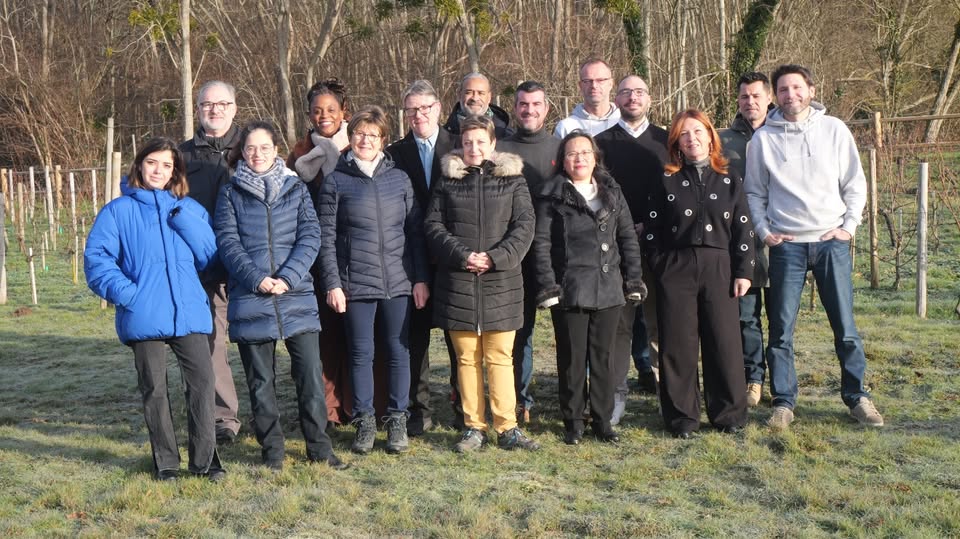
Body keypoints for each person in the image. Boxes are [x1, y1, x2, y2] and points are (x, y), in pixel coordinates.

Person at [744, 64, 884, 429]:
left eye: (796, 87)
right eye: (783, 89)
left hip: (829, 243)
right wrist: (764, 231)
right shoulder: (762, 140)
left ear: (811, 90)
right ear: (775, 96)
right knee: (781, 330)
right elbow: (754, 192)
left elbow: (855, 182)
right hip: (786, 246)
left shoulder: (834, 130)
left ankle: (857, 397)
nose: (790, 95)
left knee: (845, 327)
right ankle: (783, 402)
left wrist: (848, 227)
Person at [85, 137, 226, 481]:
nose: (158, 171)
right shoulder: (118, 211)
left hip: (189, 311)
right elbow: (97, 260)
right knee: (155, 389)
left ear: (175, 171)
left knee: (203, 383)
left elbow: (210, 258)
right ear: (139, 165)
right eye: (152, 163)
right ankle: (166, 462)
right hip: (144, 313)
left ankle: (206, 461)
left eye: (167, 165)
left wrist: (185, 220)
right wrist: (130, 295)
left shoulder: (190, 209)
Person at [214, 121, 348, 471]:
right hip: (251, 297)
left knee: (310, 377)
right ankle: (272, 451)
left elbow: (311, 235)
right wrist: (257, 279)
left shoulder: (296, 188)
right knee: (261, 382)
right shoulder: (230, 193)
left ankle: (319, 448)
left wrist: (288, 277)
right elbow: (228, 242)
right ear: (242, 152)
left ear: (276, 149)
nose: (257, 154)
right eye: (250, 148)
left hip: (296, 295)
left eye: (264, 147)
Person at [318, 106, 430, 454]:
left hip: (398, 282)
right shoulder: (336, 181)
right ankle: (364, 421)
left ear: (383, 140)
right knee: (361, 354)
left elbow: (415, 233)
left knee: (398, 352)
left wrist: (420, 278)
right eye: (359, 134)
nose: (365, 140)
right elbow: (326, 239)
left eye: (372, 135)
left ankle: (397, 419)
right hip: (355, 284)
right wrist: (333, 283)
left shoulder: (399, 180)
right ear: (350, 137)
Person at [425, 116, 539, 453]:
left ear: (492, 144)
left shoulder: (514, 181)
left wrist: (495, 258)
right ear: (460, 145)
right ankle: (473, 427)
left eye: (480, 142)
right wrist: (463, 256)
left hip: (501, 283)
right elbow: (433, 226)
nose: (474, 148)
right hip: (459, 284)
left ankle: (507, 427)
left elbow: (525, 226)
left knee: (501, 357)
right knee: (466, 359)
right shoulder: (447, 182)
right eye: (467, 142)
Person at [643, 109, 753, 438]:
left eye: (697, 132)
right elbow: (651, 228)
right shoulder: (665, 179)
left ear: (710, 136)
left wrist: (743, 270)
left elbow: (743, 227)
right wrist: (661, 265)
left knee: (724, 341)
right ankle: (682, 418)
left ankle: (729, 414)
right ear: (676, 142)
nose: (692, 139)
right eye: (684, 134)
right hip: (676, 267)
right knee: (678, 344)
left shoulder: (729, 178)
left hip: (720, 267)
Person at [532, 131, 646, 445]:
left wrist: (633, 279)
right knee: (572, 359)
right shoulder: (552, 194)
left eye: (585, 152)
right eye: (572, 153)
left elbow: (627, 238)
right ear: (562, 161)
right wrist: (548, 285)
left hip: (609, 289)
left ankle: (602, 421)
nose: (579, 158)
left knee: (604, 358)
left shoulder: (612, 191)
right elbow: (541, 243)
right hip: (570, 289)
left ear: (595, 157)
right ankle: (573, 421)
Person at [595, 74, 670, 425]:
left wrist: (651, 226)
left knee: (660, 323)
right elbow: (597, 192)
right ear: (617, 99)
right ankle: (615, 396)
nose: (632, 98)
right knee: (619, 326)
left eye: (639, 92)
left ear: (650, 99)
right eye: (625, 92)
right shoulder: (601, 143)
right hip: (617, 249)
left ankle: (668, 395)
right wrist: (625, 227)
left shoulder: (667, 141)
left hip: (661, 247)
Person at [385, 80, 458, 436]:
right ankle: (420, 410)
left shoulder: (459, 145)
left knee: (458, 339)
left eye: (424, 108)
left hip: (454, 258)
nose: (418, 115)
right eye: (411, 110)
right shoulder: (394, 154)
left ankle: (464, 408)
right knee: (415, 341)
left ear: (438, 108)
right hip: (411, 258)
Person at [285, 78, 354, 426]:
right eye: (316, 111)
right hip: (314, 257)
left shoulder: (358, 146)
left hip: (354, 253)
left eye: (330, 109)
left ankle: (356, 405)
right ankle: (328, 410)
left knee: (355, 335)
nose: (323, 116)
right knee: (324, 336)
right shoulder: (298, 155)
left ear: (344, 112)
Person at [179, 80, 242, 444]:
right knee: (212, 345)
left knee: (258, 344)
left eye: (222, 104)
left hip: (249, 268)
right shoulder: (182, 157)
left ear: (234, 108)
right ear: (198, 109)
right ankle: (223, 419)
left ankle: (270, 412)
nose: (214, 110)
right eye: (207, 104)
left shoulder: (253, 147)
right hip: (205, 270)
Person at [496, 80, 561, 424]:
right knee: (519, 332)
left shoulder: (560, 149)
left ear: (546, 108)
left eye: (536, 104)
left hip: (556, 256)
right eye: (523, 104)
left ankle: (573, 399)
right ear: (515, 107)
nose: (529, 110)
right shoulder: (500, 148)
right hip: (514, 257)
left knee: (568, 332)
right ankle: (519, 400)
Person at [720, 72, 774, 408]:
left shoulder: (785, 134)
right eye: (744, 97)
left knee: (780, 321)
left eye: (756, 96)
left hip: (783, 242)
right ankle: (753, 378)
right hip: (742, 245)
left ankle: (781, 382)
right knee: (746, 318)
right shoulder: (723, 141)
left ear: (769, 98)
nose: (750, 102)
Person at [555, 58, 621, 138]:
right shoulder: (566, 128)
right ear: (580, 86)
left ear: (611, 84)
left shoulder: (625, 122)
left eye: (600, 80)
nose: (594, 85)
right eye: (587, 81)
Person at [443, 72, 513, 140]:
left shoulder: (507, 136)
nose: (475, 98)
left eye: (481, 93)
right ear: (459, 94)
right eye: (468, 92)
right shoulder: (443, 136)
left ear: (489, 97)